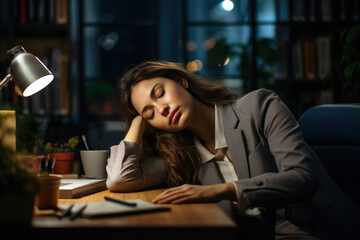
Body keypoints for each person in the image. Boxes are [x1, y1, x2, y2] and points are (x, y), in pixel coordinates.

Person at [106, 61, 359, 240]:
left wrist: (222, 190)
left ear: (181, 81)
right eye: (150, 112)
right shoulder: (182, 157)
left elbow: (303, 178)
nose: (161, 109)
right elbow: (120, 179)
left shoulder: (259, 106)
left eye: (160, 94)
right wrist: (139, 121)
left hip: (318, 230)